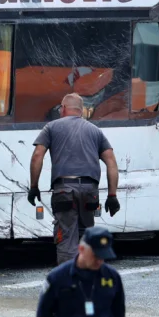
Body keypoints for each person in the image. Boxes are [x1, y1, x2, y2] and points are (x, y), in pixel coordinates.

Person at [28, 93, 121, 265]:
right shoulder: (95, 131)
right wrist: (112, 196)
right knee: (86, 236)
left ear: (63, 108)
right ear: (81, 110)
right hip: (89, 191)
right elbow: (111, 163)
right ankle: (87, 279)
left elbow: (37, 156)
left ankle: (68, 281)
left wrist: (34, 186)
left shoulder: (51, 127)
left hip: (64, 190)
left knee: (66, 237)